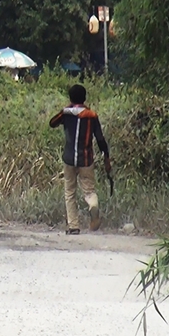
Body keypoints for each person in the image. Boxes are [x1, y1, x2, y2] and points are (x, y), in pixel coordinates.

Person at [49, 84, 111, 235]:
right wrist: (106, 156)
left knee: (69, 192)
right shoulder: (92, 115)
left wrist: (66, 108)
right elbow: (100, 139)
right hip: (86, 159)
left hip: (69, 158)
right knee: (89, 190)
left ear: (70, 98)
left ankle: (73, 226)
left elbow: (52, 123)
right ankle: (93, 205)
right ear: (85, 98)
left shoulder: (65, 113)